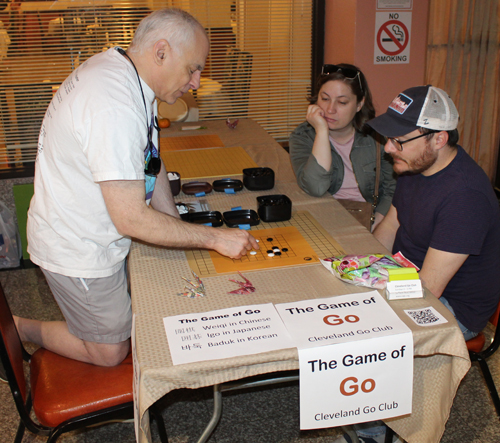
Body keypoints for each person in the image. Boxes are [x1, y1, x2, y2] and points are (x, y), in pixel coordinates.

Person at [16, 8, 258, 367]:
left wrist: (175, 220)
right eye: (193, 68)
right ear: (161, 51)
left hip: (94, 229)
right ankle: (21, 330)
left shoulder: (127, 73)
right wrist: (214, 239)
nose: (196, 81)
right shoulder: (113, 105)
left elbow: (149, 158)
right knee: (111, 351)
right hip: (77, 248)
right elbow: (130, 219)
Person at [369, 84, 500, 342]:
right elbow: (390, 227)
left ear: (439, 139)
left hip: (450, 308)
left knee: (364, 331)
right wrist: (365, 270)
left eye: (398, 140)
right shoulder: (414, 164)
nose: (387, 148)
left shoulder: (466, 197)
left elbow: (428, 289)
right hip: (408, 277)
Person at [289, 63, 396, 231]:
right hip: (321, 218)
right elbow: (315, 187)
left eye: (342, 102)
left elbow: (393, 191)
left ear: (359, 105)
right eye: (324, 99)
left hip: (370, 220)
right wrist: (322, 132)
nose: (330, 109)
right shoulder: (302, 136)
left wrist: (375, 228)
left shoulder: (379, 138)